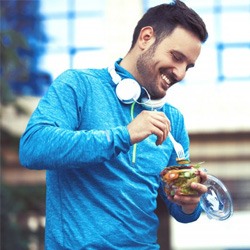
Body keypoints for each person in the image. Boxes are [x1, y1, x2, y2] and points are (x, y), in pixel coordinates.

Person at [19, 1, 209, 249]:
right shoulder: (78, 86)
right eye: (176, 57)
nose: (181, 74)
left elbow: (178, 207)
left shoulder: (173, 120)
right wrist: (124, 135)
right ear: (146, 37)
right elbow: (33, 147)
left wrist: (189, 204)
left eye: (188, 66)